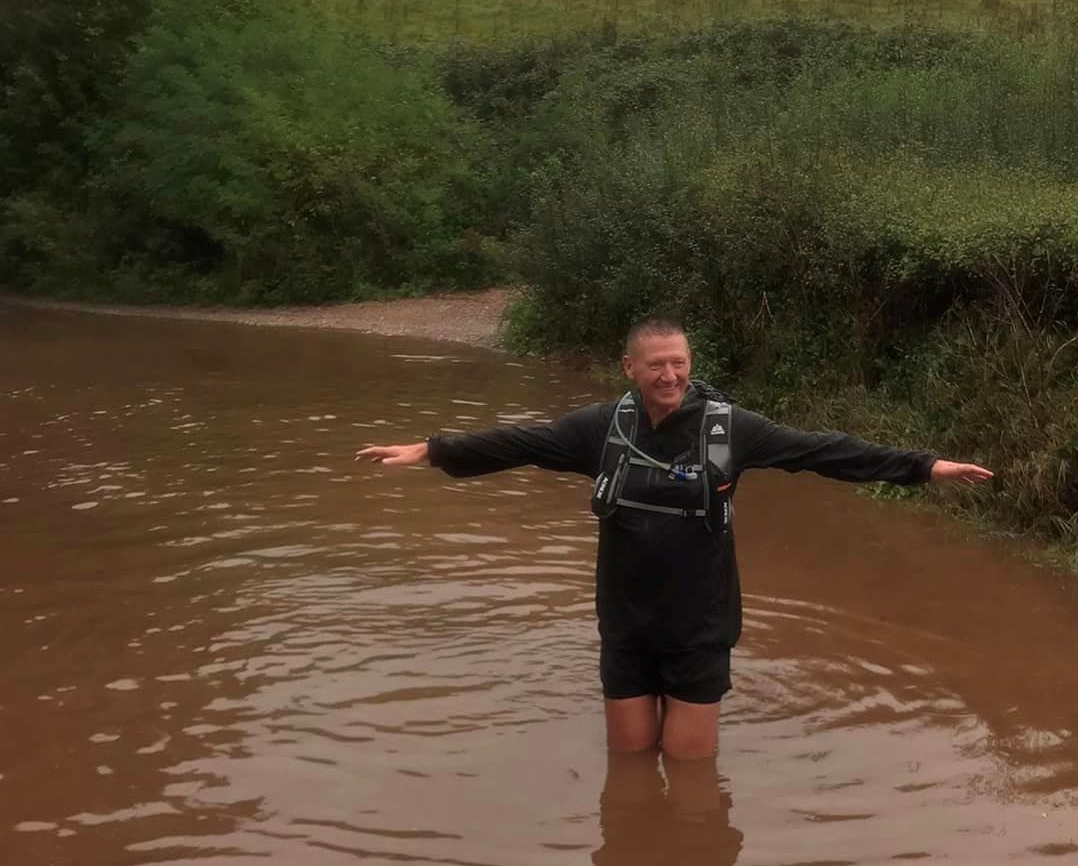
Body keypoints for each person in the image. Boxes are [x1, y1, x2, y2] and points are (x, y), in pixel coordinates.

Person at [356, 315, 993, 760]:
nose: (669, 374)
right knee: (629, 767)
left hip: (700, 626)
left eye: (679, 363)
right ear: (630, 367)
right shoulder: (602, 429)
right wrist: (433, 449)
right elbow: (524, 441)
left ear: (691, 365)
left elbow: (820, 451)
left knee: (690, 778)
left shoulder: (729, 429)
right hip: (626, 626)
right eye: (656, 364)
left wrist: (921, 466)